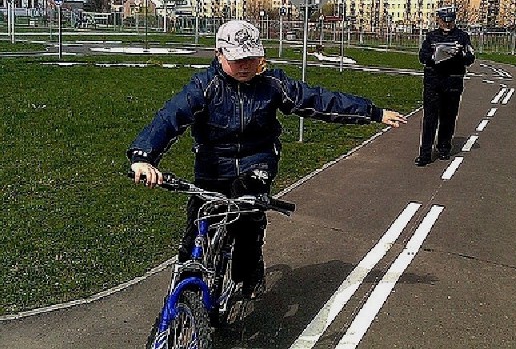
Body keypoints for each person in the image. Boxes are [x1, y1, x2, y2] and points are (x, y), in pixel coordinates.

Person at [128, 20, 407, 298]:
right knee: (195, 236)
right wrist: (144, 156)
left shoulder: (272, 85)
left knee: (247, 220)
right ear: (219, 54)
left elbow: (320, 101)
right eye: (237, 59)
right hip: (212, 168)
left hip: (256, 164)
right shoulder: (205, 86)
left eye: (251, 57)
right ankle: (183, 307)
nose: (245, 65)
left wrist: (374, 113)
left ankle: (248, 276)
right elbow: (168, 118)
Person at [415, 6, 475, 166]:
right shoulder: (431, 37)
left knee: (448, 117)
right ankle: (425, 153)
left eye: (450, 21)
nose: (447, 24)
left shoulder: (462, 37)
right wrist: (435, 56)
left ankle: (444, 148)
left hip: (453, 81)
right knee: (430, 118)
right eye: (444, 21)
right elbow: (422, 56)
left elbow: (470, 57)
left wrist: (459, 55)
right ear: (438, 20)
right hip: (433, 81)